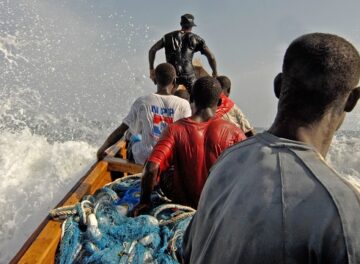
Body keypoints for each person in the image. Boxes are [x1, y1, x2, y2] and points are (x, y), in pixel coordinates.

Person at [183, 33, 360, 263]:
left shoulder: (226, 161)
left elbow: (188, 252)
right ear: (352, 100)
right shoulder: (342, 210)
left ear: (278, 86)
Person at [133, 76, 246, 213]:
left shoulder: (175, 130)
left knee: (166, 170)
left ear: (191, 99)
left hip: (184, 205)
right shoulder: (235, 132)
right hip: (217, 208)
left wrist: (144, 202)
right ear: (220, 101)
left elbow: (151, 168)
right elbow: (247, 173)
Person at [97, 63, 191, 164]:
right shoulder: (184, 105)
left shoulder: (142, 101)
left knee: (131, 136)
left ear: (155, 80)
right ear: (174, 80)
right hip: (169, 160)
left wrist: (101, 150)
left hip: (144, 159)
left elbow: (121, 130)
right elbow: (189, 135)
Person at [149, 14, 218, 94]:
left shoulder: (168, 37)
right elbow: (211, 56)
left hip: (172, 74)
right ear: (192, 26)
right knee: (195, 98)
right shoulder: (197, 39)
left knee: (166, 96)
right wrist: (215, 72)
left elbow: (152, 50)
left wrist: (151, 69)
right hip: (189, 74)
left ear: (181, 24)